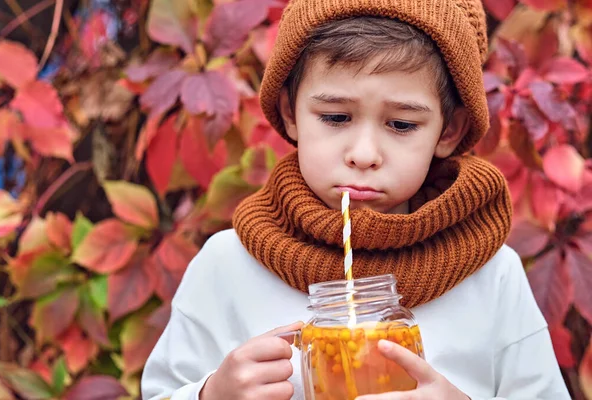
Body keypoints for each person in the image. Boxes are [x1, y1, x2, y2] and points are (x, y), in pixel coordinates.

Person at [141, 0, 570, 399]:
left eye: (401, 125)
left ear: (449, 131)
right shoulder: (229, 265)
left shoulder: (490, 274)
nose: (364, 154)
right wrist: (210, 393)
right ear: (290, 113)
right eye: (335, 117)